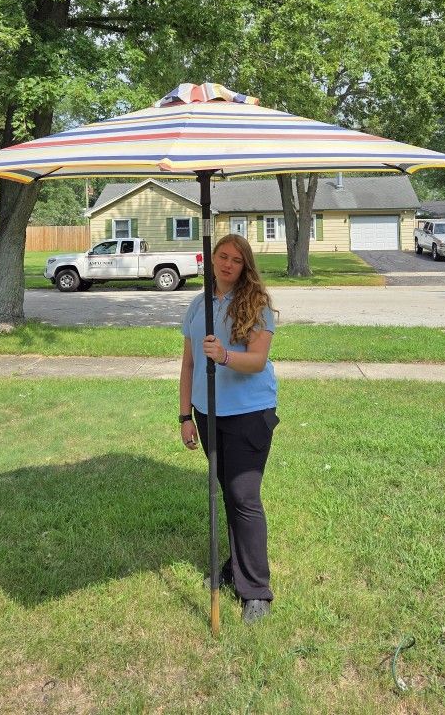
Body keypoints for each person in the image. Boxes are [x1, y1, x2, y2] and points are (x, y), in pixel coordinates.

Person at [178, 233, 279, 624]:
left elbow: (256, 361)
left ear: (245, 265)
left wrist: (223, 355)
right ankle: (236, 566)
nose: (227, 264)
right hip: (207, 414)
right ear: (212, 259)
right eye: (222, 256)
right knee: (228, 492)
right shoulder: (198, 304)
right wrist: (185, 416)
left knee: (244, 495)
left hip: (250, 413)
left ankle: (256, 590)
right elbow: (187, 365)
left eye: (236, 260)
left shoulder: (257, 305)